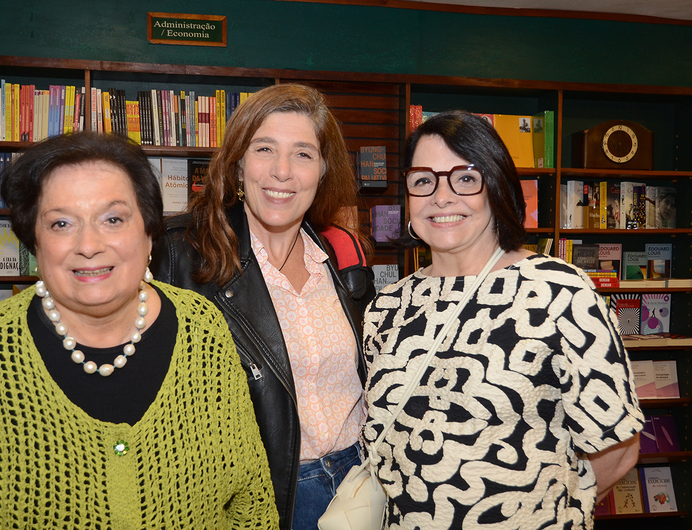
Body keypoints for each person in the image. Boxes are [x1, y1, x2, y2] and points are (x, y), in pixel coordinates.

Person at [0, 132, 278, 529]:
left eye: (113, 219)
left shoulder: (205, 332)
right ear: (34, 241)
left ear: (148, 233)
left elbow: (251, 503)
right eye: (61, 223)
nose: (89, 244)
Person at [362, 110, 643, 530]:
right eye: (423, 180)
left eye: (465, 178)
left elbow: (617, 449)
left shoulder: (560, 293)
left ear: (496, 187)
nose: (441, 196)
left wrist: (544, 512)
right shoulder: (387, 306)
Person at [153, 83, 374, 530]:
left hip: (360, 486)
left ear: (323, 170)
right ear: (237, 163)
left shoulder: (340, 253)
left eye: (303, 154)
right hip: (262, 498)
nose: (282, 171)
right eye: (264, 149)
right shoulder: (178, 252)